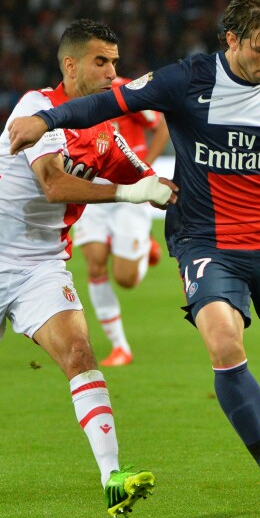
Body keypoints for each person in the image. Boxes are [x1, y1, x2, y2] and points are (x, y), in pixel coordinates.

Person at [8, 0, 260, 513]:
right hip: (204, 238)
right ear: (232, 39)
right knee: (223, 340)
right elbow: (109, 102)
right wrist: (46, 119)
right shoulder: (186, 78)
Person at [0, 19, 178, 518]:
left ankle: (112, 477)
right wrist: (129, 193)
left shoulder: (105, 132)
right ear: (71, 65)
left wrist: (169, 190)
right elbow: (53, 185)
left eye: (116, 63)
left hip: (42, 265)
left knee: (80, 352)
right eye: (102, 62)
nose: (112, 73)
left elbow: (147, 178)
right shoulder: (37, 109)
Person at [74, 77, 170, 367]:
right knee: (94, 264)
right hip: (92, 190)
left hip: (130, 192)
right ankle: (120, 347)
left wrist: (144, 171)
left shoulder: (128, 91)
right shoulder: (75, 93)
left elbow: (161, 126)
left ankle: (146, 247)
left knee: (126, 279)